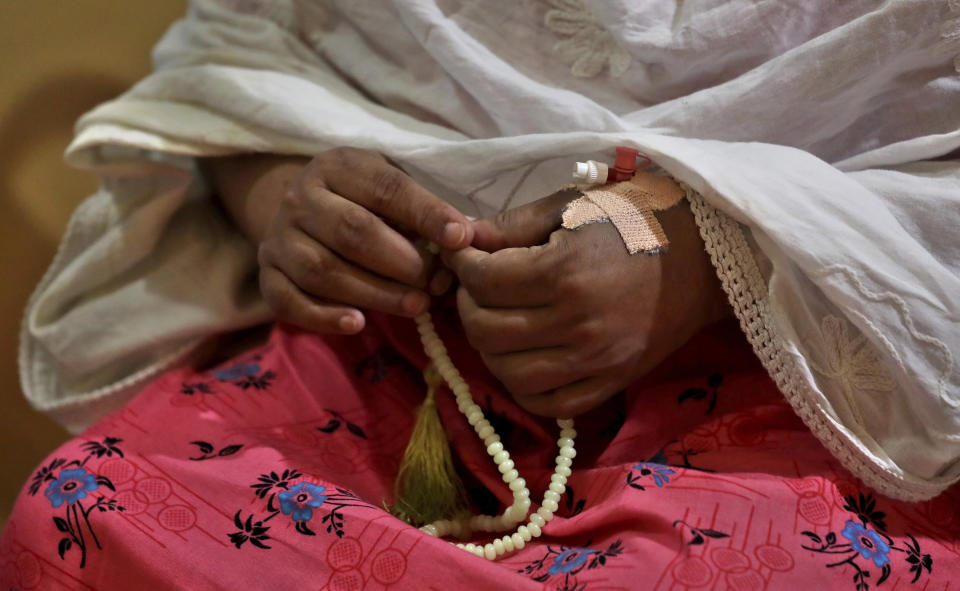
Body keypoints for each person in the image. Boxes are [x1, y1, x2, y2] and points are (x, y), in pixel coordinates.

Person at [3, 1, 959, 589]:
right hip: (392, 339)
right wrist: (283, 198)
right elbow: (243, 64)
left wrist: (700, 260)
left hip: (808, 349)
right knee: (95, 516)